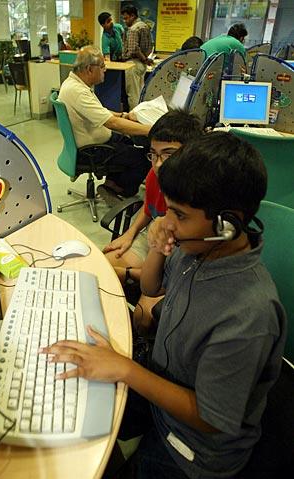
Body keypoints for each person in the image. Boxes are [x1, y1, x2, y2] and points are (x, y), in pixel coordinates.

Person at [41, 132, 287, 478]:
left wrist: (125, 369)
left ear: (227, 225)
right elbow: (151, 286)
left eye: (180, 215)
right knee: (63, 410)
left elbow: (211, 417)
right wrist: (161, 241)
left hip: (192, 447)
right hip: (161, 384)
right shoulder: (198, 248)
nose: (169, 222)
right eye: (169, 210)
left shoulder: (248, 315)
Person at [103, 109, 203, 334]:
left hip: (176, 253)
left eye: (167, 154)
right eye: (154, 155)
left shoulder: (198, 198)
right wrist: (129, 234)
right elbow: (149, 209)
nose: (158, 164)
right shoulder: (155, 174)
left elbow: (177, 267)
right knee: (103, 264)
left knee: (144, 315)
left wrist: (127, 273)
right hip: (154, 237)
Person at [58, 45, 151, 198]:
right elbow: (111, 123)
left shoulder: (74, 84)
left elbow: (99, 112)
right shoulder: (78, 92)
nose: (105, 70)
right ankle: (122, 192)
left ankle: (112, 184)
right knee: (142, 158)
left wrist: (123, 115)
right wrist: (150, 129)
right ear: (89, 69)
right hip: (91, 150)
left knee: (127, 141)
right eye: (102, 66)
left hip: (88, 141)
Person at [121, 4, 153, 110]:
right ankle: (141, 115)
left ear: (133, 16)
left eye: (126, 18)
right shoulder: (145, 26)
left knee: (133, 95)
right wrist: (145, 59)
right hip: (142, 65)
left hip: (133, 64)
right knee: (140, 94)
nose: (124, 21)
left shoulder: (133, 29)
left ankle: (134, 119)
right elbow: (150, 45)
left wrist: (143, 58)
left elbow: (133, 48)